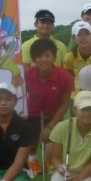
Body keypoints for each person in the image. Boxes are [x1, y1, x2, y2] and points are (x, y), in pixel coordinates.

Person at [24, 38, 74, 170]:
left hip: (54, 116)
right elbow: (19, 97)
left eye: (47, 55)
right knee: (29, 142)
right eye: (39, 56)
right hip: (32, 114)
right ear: (34, 59)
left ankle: (49, 158)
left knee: (52, 147)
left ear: (54, 57)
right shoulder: (26, 75)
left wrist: (50, 126)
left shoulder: (66, 77)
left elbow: (64, 104)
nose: (43, 59)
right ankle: (32, 159)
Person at [65, 21, 91, 100]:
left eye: (86, 34)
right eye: (79, 35)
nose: (83, 37)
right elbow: (69, 75)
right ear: (73, 37)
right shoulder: (70, 57)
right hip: (76, 96)